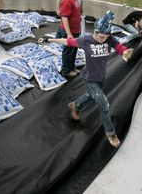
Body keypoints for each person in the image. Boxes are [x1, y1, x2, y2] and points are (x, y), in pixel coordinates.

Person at [38, 11, 133, 148]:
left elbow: (119, 47)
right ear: (95, 31)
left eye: (106, 37)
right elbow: (68, 41)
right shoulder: (86, 40)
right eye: (101, 37)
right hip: (90, 78)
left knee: (91, 95)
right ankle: (110, 133)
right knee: (104, 104)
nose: (104, 39)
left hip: (101, 77)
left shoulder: (109, 38)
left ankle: (75, 105)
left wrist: (124, 52)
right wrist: (50, 39)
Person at [55, 0, 83, 77]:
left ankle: (71, 66)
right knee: (68, 51)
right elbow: (65, 17)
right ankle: (66, 70)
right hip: (69, 31)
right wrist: (69, 33)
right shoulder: (67, 0)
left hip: (75, 30)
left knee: (73, 50)